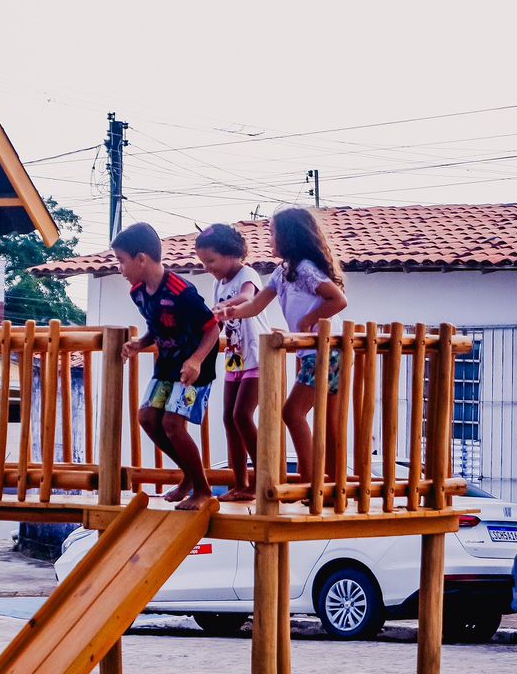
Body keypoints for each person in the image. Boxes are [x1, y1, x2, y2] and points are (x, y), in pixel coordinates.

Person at [216, 207, 348, 484]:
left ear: (289, 237)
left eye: (273, 233)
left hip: (325, 353)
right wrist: (231, 312)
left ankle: (311, 481)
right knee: (323, 419)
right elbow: (255, 305)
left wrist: (310, 319)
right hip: (314, 354)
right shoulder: (282, 272)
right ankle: (325, 483)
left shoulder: (305, 270)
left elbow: (338, 300)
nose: (270, 239)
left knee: (294, 412)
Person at [113, 222, 220, 511]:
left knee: (173, 424)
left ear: (141, 259)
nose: (119, 269)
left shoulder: (181, 291)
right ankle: (189, 476)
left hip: (193, 369)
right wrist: (140, 343)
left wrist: (196, 360)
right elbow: (157, 326)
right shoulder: (138, 292)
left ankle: (203, 490)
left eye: (121, 261)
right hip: (167, 366)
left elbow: (212, 328)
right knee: (147, 418)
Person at [195, 222, 262, 502]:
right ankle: (240, 482)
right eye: (204, 262)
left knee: (241, 415)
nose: (208, 267)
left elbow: (247, 297)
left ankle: (262, 479)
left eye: (211, 261)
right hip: (234, 357)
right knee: (228, 418)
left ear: (231, 253)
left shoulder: (247, 274)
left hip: (257, 354)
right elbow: (218, 325)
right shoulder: (218, 283)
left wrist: (224, 306)